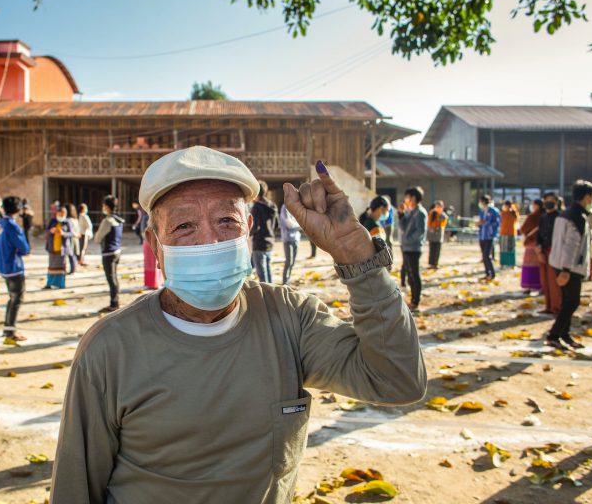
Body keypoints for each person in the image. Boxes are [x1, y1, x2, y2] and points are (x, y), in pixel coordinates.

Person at [51, 147, 426, 503]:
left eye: (226, 221)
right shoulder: (109, 349)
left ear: (248, 229)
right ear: (155, 243)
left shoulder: (291, 317)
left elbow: (398, 380)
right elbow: (76, 490)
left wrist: (360, 263)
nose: (210, 241)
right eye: (184, 226)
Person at [546, 180, 592, 350]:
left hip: (560, 263)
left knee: (567, 301)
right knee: (572, 302)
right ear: (586, 197)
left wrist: (590, 214)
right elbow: (571, 245)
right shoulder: (576, 217)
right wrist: (567, 270)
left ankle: (564, 335)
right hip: (569, 266)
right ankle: (554, 335)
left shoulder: (569, 213)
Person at [0, 196, 31, 343]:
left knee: (12, 298)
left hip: (3, 265)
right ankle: (10, 330)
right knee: (17, 298)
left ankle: (7, 327)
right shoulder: (12, 226)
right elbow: (25, 248)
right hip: (14, 267)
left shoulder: (0, 223)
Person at [397, 187, 427, 311]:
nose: (406, 200)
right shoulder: (411, 211)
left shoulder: (420, 212)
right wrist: (401, 214)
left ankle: (416, 300)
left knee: (415, 274)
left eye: (407, 197)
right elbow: (402, 227)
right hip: (407, 247)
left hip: (414, 247)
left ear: (414, 198)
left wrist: (407, 240)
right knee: (410, 274)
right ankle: (412, 299)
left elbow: (420, 231)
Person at [93, 195, 124, 312]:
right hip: (117, 251)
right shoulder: (119, 219)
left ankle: (114, 304)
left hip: (108, 254)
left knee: (111, 279)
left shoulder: (107, 221)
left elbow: (97, 238)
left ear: (106, 206)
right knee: (114, 278)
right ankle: (115, 301)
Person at [536, 193, 562, 314]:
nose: (548, 203)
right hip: (544, 250)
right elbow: (539, 234)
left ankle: (556, 307)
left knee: (553, 281)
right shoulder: (543, 217)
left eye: (551, 201)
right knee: (545, 280)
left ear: (556, 202)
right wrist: (539, 249)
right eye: (546, 200)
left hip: (555, 250)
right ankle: (548, 306)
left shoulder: (561, 217)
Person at [250, 180, 278, 284]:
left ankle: (266, 297)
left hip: (259, 243)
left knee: (262, 274)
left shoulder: (256, 207)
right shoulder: (273, 205)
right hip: (270, 242)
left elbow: (255, 226)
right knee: (268, 270)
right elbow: (276, 225)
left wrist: (247, 234)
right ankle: (272, 293)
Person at [45, 205, 74, 290]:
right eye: (59, 214)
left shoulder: (67, 222)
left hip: (62, 249)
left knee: (60, 267)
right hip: (52, 247)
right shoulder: (52, 221)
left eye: (62, 215)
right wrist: (51, 231)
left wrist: (63, 233)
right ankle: (50, 283)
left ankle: (60, 284)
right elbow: (46, 231)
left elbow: (71, 233)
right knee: (51, 267)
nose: (60, 216)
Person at [519, 199, 543, 294]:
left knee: (529, 265)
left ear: (536, 205)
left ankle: (528, 286)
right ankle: (541, 286)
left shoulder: (532, 216)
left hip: (531, 244)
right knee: (540, 266)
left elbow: (524, 228)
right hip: (542, 244)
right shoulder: (544, 215)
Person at [477, 195, 500, 281]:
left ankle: (492, 273)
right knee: (484, 256)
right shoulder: (482, 211)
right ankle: (487, 273)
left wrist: (486, 223)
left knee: (487, 256)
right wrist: (479, 224)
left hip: (489, 236)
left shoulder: (493, 211)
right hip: (482, 236)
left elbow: (496, 223)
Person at [279, 203, 302, 286]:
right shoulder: (285, 207)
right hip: (288, 239)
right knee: (289, 261)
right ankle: (285, 283)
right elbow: (289, 224)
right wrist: (301, 225)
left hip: (296, 238)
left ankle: (288, 281)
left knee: (293, 262)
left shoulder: (296, 207)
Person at [426, 200, 448, 269]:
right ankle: (431, 263)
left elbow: (443, 223)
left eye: (439, 206)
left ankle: (435, 264)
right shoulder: (432, 214)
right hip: (432, 235)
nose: (437, 208)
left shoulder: (443, 215)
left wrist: (439, 214)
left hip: (438, 236)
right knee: (432, 249)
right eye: (436, 206)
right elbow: (429, 223)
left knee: (437, 250)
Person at [499, 200, 519, 268]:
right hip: (505, 233)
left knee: (510, 249)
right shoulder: (505, 213)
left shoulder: (511, 213)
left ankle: (510, 263)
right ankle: (505, 263)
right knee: (504, 249)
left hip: (509, 233)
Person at [67, 204, 81, 275]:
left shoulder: (68, 220)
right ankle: (74, 268)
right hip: (76, 238)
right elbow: (78, 229)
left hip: (71, 238)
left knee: (71, 254)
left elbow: (71, 231)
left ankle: (72, 269)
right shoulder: (75, 219)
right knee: (74, 254)